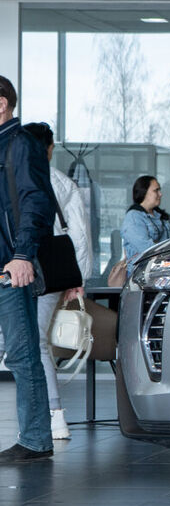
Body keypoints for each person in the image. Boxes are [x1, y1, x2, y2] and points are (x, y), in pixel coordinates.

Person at [0, 75, 59, 463]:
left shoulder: (20, 144)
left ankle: (36, 439)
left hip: (10, 268)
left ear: (1, 103)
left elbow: (36, 202)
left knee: (22, 354)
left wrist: (22, 255)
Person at [25, 124, 91, 439]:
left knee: (16, 341)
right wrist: (78, 279)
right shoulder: (63, 184)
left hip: (15, 267)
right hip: (50, 271)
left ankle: (47, 414)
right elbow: (79, 235)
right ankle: (55, 416)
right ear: (50, 149)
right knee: (38, 342)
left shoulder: (14, 176)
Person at [120, 174, 170, 260]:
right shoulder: (134, 217)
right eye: (156, 190)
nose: (160, 194)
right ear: (144, 192)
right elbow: (147, 250)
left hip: (165, 265)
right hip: (145, 267)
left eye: (159, 190)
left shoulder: (160, 216)